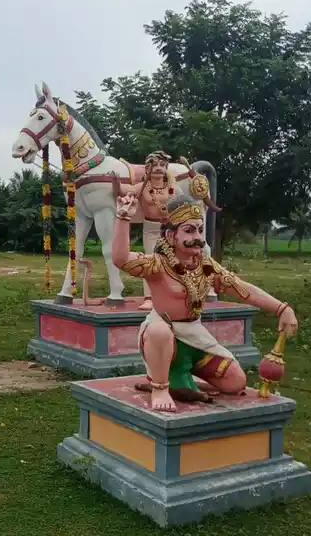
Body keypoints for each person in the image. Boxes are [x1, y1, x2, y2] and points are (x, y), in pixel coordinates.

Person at [111, 192, 299, 412]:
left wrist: (281, 308)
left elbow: (242, 289)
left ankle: (181, 382)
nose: (198, 236)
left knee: (235, 382)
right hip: (162, 336)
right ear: (171, 236)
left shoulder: (207, 266)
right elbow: (121, 259)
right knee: (159, 330)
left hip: (194, 336)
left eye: (200, 230)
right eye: (189, 230)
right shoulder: (158, 265)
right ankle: (160, 387)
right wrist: (123, 218)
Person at [119, 151, 177, 311]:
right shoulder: (143, 186)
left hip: (170, 228)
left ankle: (171, 295)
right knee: (150, 261)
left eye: (162, 165)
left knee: (172, 262)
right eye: (155, 165)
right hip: (151, 228)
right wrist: (115, 183)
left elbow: (182, 203)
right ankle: (149, 298)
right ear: (148, 169)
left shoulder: (172, 187)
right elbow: (126, 191)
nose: (158, 168)